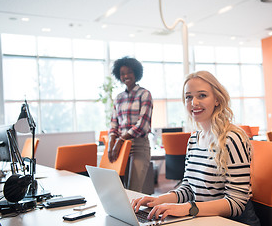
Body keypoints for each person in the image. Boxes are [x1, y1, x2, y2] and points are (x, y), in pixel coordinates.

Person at [131, 71, 260, 226]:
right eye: (188, 97)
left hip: (232, 221)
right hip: (204, 219)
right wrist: (158, 200)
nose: (194, 103)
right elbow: (189, 187)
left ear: (217, 99)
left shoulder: (232, 138)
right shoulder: (194, 139)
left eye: (202, 95)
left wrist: (188, 208)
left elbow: (237, 203)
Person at [108, 56, 153, 193]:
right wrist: (111, 143)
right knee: (119, 189)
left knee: (133, 190)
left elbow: (142, 125)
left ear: (136, 73)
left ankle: (134, 215)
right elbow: (114, 123)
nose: (126, 76)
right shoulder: (119, 98)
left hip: (139, 146)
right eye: (122, 73)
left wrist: (120, 140)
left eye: (129, 72)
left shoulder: (144, 94)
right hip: (120, 147)